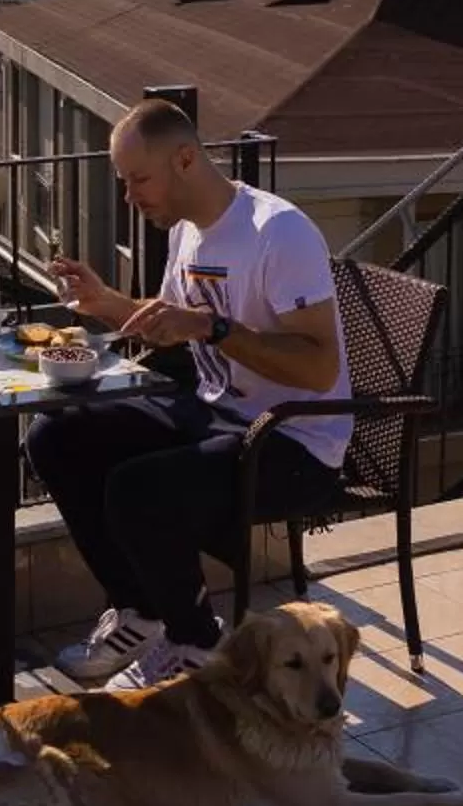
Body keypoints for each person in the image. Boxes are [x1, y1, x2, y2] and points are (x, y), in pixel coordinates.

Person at [28, 98, 351, 690]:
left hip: (294, 441)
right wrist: (108, 305)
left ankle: (196, 641)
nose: (129, 196)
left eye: (138, 179)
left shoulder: (277, 232)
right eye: (123, 182)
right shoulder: (187, 233)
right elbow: (173, 324)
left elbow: (319, 367)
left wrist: (214, 328)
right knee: (55, 435)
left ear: (184, 160)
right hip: (217, 414)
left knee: (138, 488)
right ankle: (140, 612)